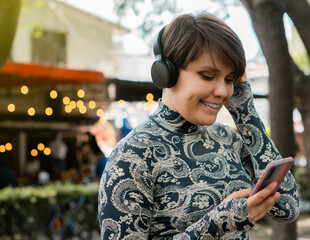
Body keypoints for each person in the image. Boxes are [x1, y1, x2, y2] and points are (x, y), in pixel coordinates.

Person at [98, 13, 299, 239]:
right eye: (207, 75)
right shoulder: (131, 155)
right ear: (166, 73)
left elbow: (287, 208)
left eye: (229, 79)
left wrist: (246, 114)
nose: (223, 91)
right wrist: (218, 223)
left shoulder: (229, 140)